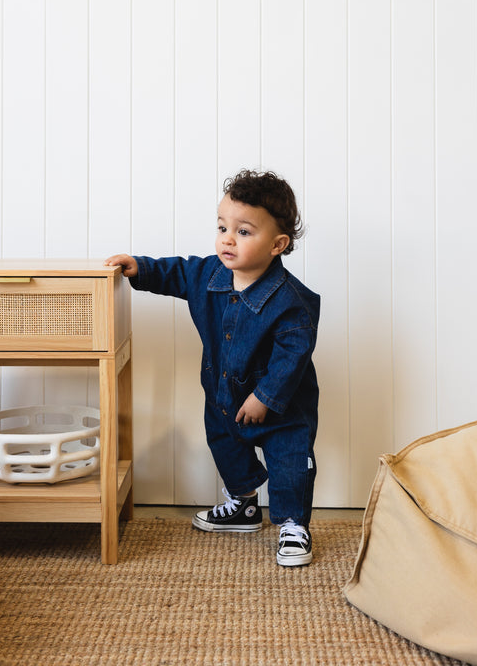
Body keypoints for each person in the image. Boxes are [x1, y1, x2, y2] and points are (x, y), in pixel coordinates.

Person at [105, 169, 320, 567]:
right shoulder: (209, 274)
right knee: (225, 445)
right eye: (223, 226)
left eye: (243, 231)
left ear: (278, 244)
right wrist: (140, 266)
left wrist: (265, 397)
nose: (227, 238)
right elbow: (177, 272)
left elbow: (293, 356)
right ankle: (243, 504)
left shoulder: (291, 302)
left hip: (281, 407)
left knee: (289, 460)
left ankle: (293, 524)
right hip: (224, 394)